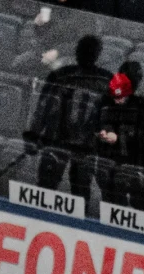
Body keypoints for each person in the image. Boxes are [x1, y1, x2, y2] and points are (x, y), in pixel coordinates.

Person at [24, 34, 113, 197]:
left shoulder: (63, 75)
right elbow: (43, 108)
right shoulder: (103, 80)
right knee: (49, 188)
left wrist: (35, 135)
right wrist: (34, 137)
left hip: (81, 146)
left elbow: (111, 117)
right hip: (60, 142)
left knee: (76, 190)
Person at [90, 63, 144, 211]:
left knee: (131, 213)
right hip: (119, 168)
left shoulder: (143, 105)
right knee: (120, 212)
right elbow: (92, 133)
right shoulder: (106, 103)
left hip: (126, 169)